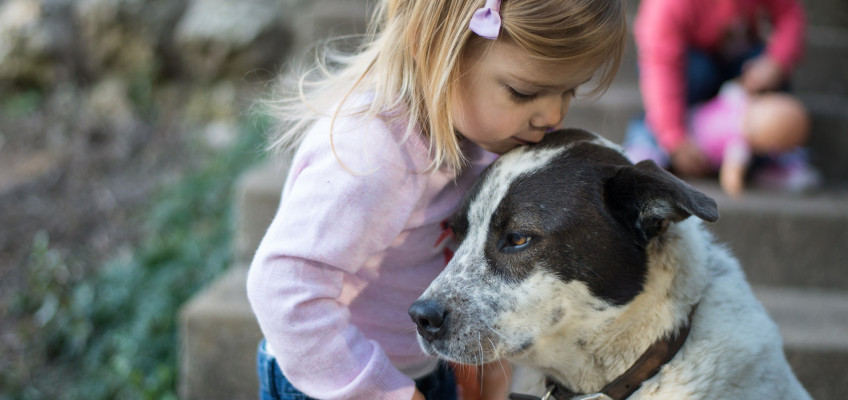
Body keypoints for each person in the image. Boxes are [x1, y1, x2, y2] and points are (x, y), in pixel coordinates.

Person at [246, 1, 627, 400]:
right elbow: (283, 286)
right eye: (523, 92)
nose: (551, 115)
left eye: (569, 91)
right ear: (433, 48)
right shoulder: (372, 153)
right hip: (334, 380)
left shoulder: (485, 136)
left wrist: (478, 363)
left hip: (420, 367)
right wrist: (379, 391)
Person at [624, 0, 807, 178]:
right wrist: (673, 137)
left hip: (738, 71)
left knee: (769, 67)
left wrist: (776, 63)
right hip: (691, 74)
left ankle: (770, 154)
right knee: (697, 71)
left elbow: (789, 13)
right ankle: (648, 140)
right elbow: (661, 66)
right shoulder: (666, 4)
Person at [689, 81, 815, 197]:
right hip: (692, 137)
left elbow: (731, 87)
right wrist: (734, 189)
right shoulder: (740, 145)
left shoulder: (738, 101)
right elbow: (731, 175)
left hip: (693, 127)